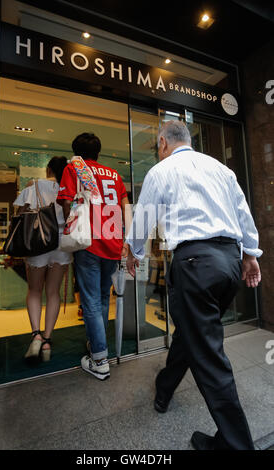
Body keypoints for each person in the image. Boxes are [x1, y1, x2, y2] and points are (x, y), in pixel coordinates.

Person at [126, 120, 262, 450]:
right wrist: (251, 255)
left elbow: (144, 216)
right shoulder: (220, 169)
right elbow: (242, 213)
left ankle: (236, 444)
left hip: (194, 265)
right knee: (193, 332)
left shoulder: (162, 170)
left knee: (208, 356)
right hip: (228, 264)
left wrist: (133, 251)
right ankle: (164, 389)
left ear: (162, 143)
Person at [57, 133, 130, 380]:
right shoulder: (115, 175)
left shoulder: (74, 168)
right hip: (112, 242)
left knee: (89, 302)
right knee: (99, 299)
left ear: (76, 152)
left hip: (88, 242)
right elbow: (124, 207)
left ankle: (100, 360)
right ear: (98, 152)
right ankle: (96, 343)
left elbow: (66, 203)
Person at [14, 156, 72, 363]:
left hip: (37, 243)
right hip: (62, 244)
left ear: (48, 169)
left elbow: (19, 214)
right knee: (53, 292)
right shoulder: (69, 189)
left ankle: (36, 334)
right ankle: (47, 339)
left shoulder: (34, 185)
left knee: (35, 290)